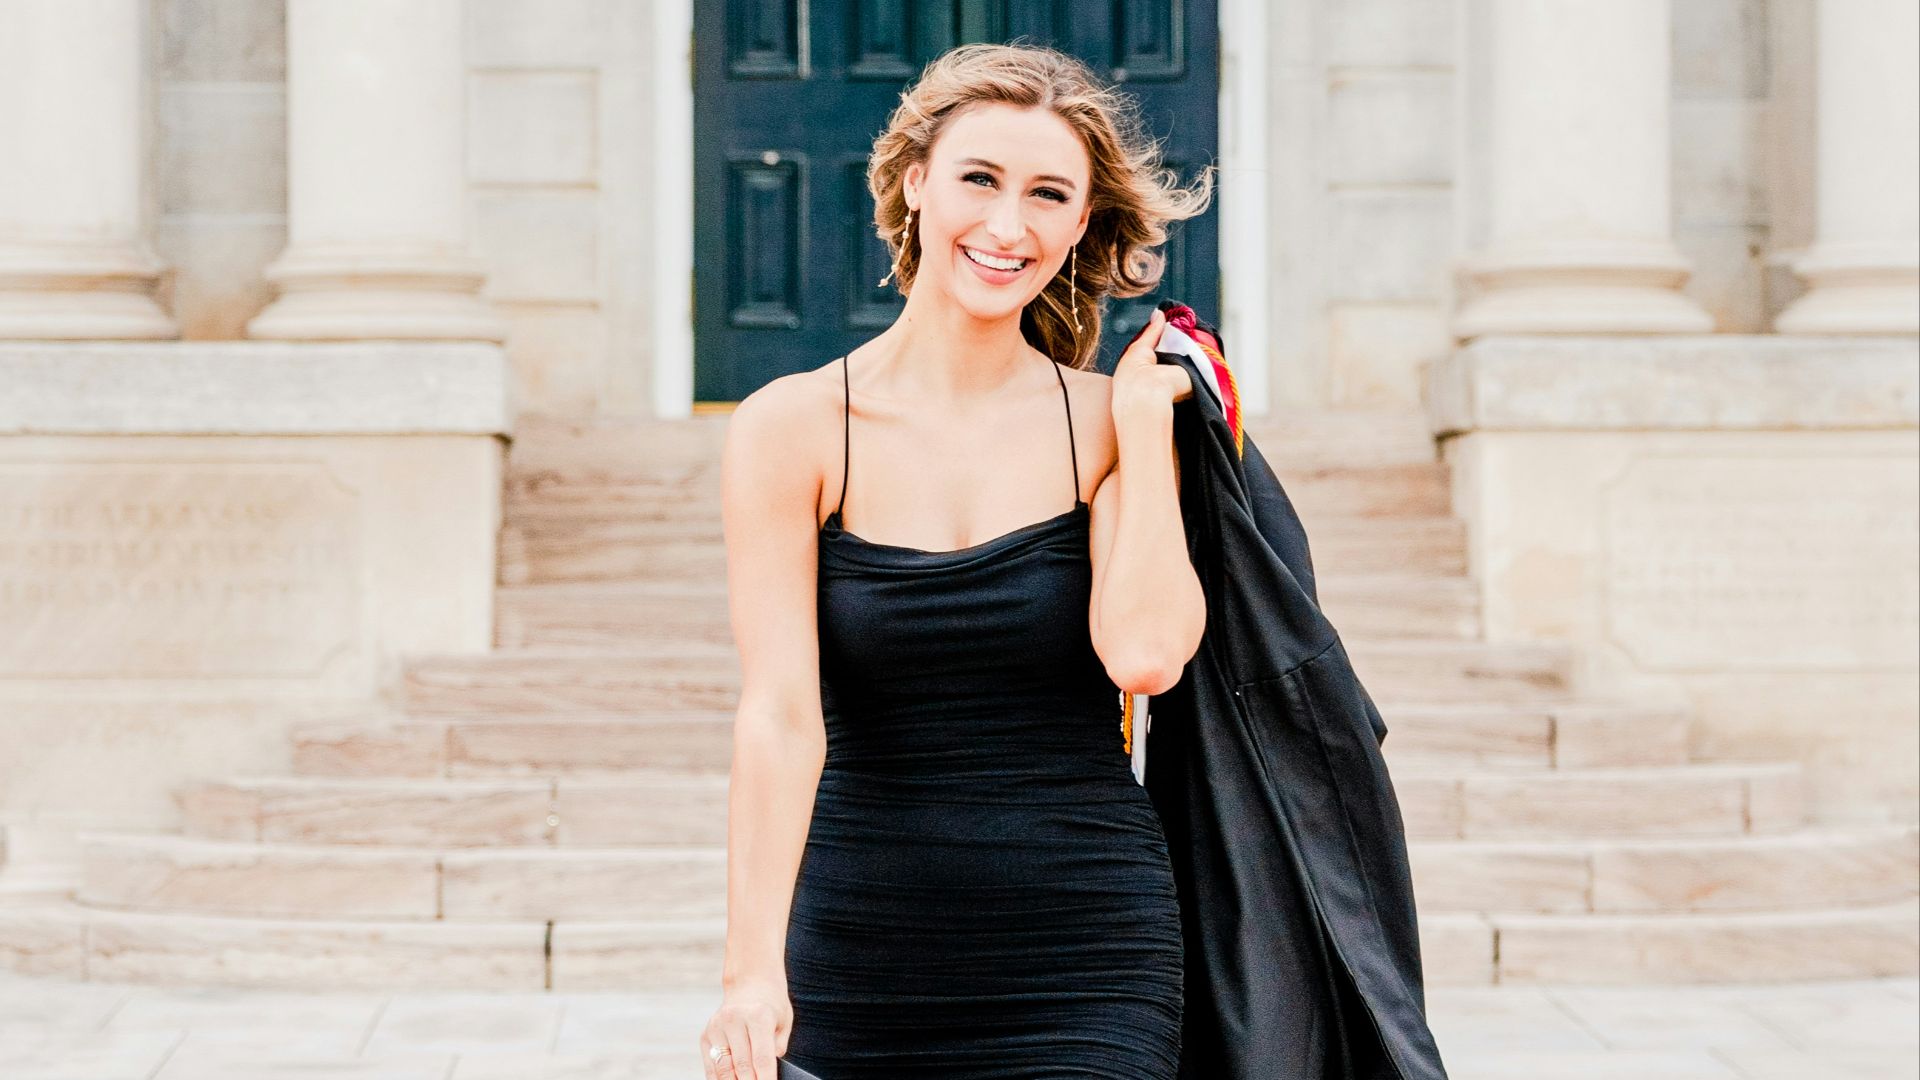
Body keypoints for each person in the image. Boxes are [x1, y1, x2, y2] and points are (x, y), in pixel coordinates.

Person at [701, 41, 1215, 1079]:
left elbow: (1148, 656)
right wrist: (750, 971)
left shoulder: (1107, 425)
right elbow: (779, 715)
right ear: (913, 183)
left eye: (1047, 195)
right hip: (859, 944)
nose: (1008, 225)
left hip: (1087, 953)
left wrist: (1143, 430)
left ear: (1082, 223)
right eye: (979, 179)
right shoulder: (793, 427)